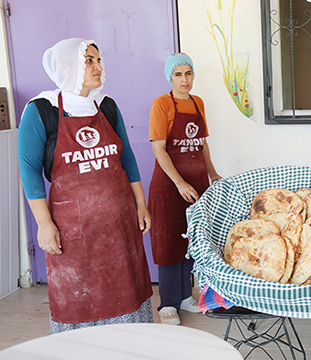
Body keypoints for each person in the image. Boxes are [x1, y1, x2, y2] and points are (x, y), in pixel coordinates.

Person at [17, 38, 153, 333]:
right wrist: (43, 223)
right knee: (79, 295)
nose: (97, 66)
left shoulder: (107, 106)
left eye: (98, 60)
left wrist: (141, 204)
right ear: (66, 66)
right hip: (73, 233)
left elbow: (126, 158)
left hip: (119, 225)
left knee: (126, 290)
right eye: (89, 60)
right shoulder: (42, 110)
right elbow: (28, 170)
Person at [148, 53, 221, 325]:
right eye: (178, 74)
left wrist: (212, 174)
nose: (184, 79)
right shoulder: (161, 104)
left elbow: (201, 144)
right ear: (170, 77)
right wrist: (179, 182)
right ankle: (167, 304)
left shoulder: (198, 103)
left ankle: (185, 297)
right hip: (169, 187)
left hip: (197, 186)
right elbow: (158, 148)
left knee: (192, 241)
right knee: (168, 243)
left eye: (188, 73)